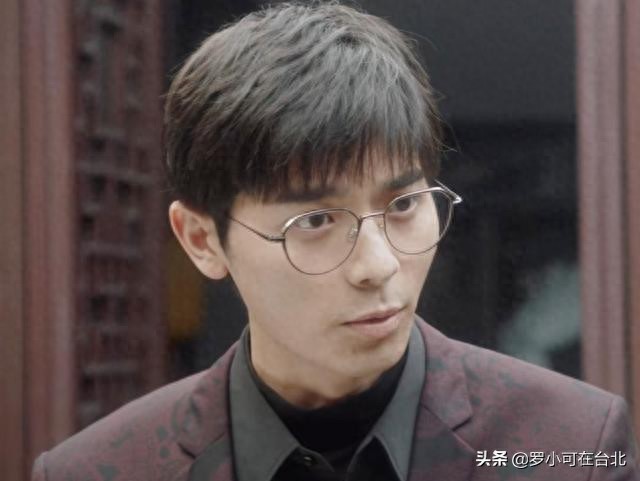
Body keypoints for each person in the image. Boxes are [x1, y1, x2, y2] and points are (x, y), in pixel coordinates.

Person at [32, 2, 638, 480]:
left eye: (403, 205)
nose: (378, 265)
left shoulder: (571, 445)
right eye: (316, 221)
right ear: (201, 240)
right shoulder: (101, 470)